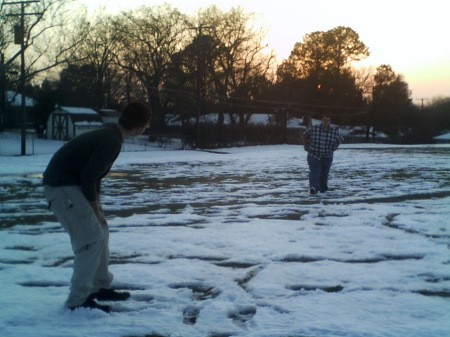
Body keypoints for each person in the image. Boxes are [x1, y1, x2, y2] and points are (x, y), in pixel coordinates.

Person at [43, 101, 152, 312]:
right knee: (90, 239)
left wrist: (98, 209)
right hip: (61, 188)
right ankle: (78, 300)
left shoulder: (111, 136)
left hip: (71, 186)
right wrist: (94, 208)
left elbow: (95, 175)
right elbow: (89, 175)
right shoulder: (111, 140)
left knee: (101, 229)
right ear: (140, 127)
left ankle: (98, 287)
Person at [303, 115, 344, 195]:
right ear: (321, 120)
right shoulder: (314, 129)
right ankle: (313, 188)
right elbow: (305, 135)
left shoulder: (334, 131)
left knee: (324, 173)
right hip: (314, 154)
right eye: (324, 120)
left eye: (327, 120)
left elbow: (341, 139)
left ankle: (323, 189)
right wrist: (306, 146)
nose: (325, 122)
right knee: (314, 171)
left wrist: (334, 148)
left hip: (327, 156)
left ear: (330, 122)